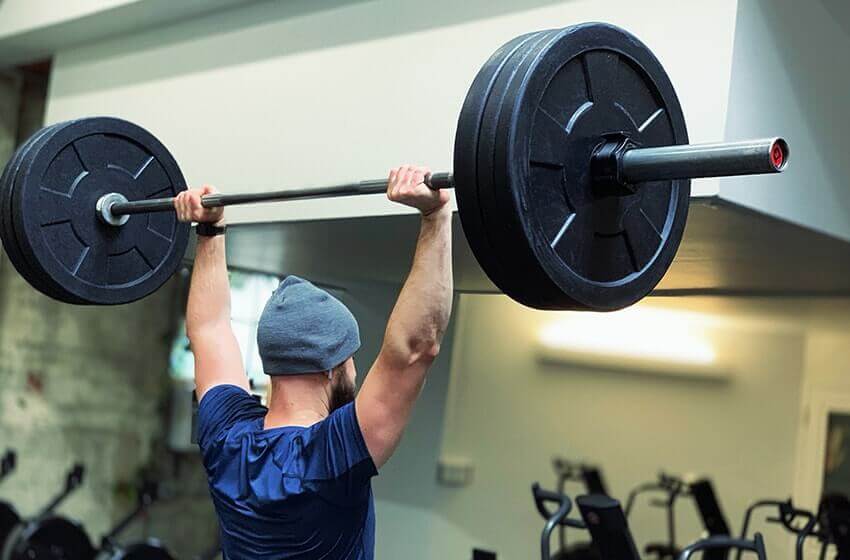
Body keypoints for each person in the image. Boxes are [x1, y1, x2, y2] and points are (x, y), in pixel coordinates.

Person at [174, 165, 453, 560]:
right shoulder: (333, 456)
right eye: (351, 359)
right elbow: (415, 348)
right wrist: (437, 215)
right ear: (330, 367)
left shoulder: (227, 440)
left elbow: (209, 329)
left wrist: (210, 231)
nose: (354, 371)